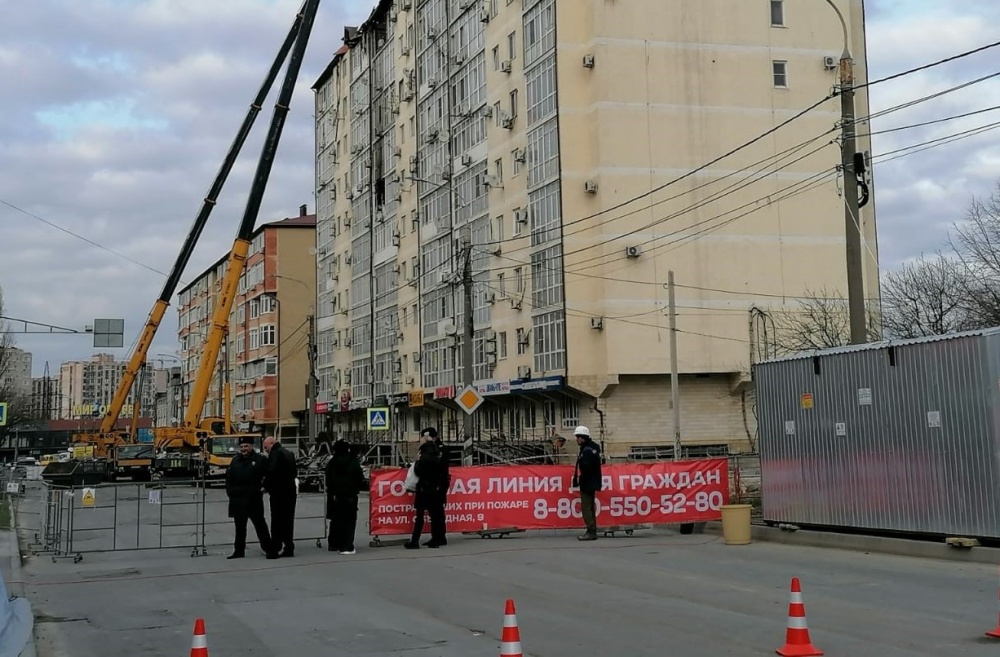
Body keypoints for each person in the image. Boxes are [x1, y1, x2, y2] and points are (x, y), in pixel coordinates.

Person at [225, 436, 278, 559]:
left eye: (246, 446)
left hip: (253, 498)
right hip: (237, 499)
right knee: (240, 528)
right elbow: (229, 478)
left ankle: (270, 551)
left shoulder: (260, 460)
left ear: (251, 447)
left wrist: (265, 487)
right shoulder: (235, 460)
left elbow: (270, 474)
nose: (243, 449)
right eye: (242, 447)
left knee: (260, 525)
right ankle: (239, 551)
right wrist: (230, 492)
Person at [404, 439, 447, 549]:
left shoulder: (422, 461)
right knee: (435, 517)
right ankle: (435, 540)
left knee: (419, 517)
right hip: (435, 491)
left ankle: (415, 541)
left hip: (423, 491)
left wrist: (418, 460)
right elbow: (444, 476)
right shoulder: (439, 460)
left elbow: (418, 472)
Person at [325, 440, 366, 555]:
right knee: (349, 521)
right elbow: (359, 477)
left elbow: (328, 479)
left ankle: (334, 544)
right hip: (350, 495)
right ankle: (347, 546)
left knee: (336, 520)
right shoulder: (353, 461)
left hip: (335, 495)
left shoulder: (332, 462)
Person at [262, 436, 298, 557]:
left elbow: (271, 472)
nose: (265, 450)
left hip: (278, 492)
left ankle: (275, 547)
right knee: (288, 520)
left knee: (277, 520)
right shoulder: (289, 453)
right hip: (290, 491)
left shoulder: (275, 454)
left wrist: (265, 486)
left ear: (272, 444)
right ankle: (289, 546)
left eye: (266, 447)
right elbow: (294, 472)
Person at [572, 425, 602, 541]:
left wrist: (581, 477)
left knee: (586, 508)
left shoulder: (587, 450)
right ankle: (592, 530)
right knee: (590, 507)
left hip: (588, 482)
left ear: (582, 437)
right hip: (592, 481)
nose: (576, 440)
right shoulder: (592, 447)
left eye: (578, 437)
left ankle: (591, 531)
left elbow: (587, 467)